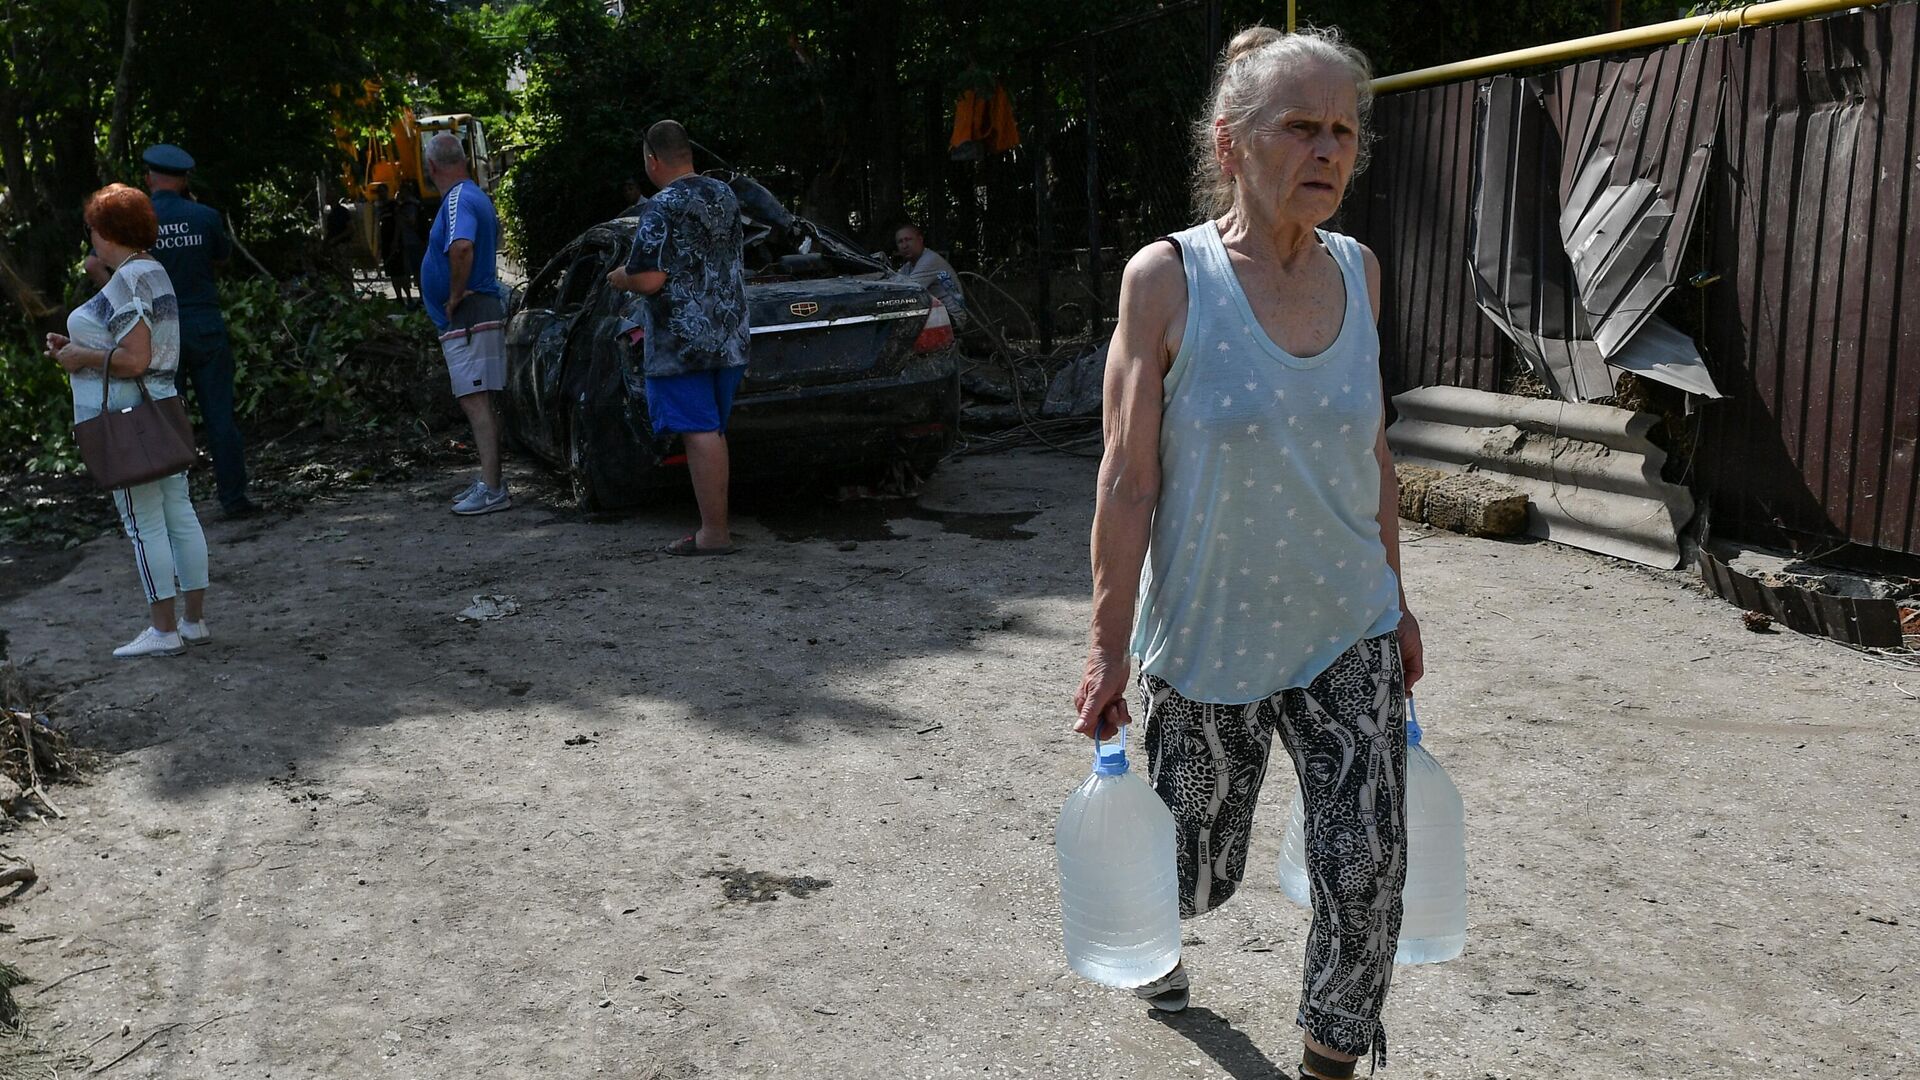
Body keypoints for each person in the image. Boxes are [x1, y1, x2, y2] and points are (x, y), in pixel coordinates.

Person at [1071, 26, 1425, 1080]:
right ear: (1230, 142)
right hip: (1208, 636)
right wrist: (1103, 647)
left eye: (1344, 133)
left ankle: (1329, 1058)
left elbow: (1372, 452)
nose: (1326, 152)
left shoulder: (1361, 271)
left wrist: (1398, 603)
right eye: (1300, 128)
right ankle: (1157, 942)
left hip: (1344, 624)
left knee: (1366, 866)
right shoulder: (1167, 281)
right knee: (1191, 874)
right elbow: (1127, 482)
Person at [48, 184, 212, 658]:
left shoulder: (128, 278)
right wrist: (82, 345)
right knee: (179, 513)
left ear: (106, 230)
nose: (90, 238)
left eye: (92, 229)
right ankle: (193, 621)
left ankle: (163, 630)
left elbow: (134, 358)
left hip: (127, 416)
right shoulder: (150, 271)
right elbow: (128, 336)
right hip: (161, 407)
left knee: (144, 523)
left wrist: (80, 356)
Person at [86, 144, 255, 518]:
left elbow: (98, 264)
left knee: (163, 415)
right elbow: (221, 259)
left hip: (156, 331)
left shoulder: (135, 223)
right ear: (185, 179)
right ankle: (234, 499)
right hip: (204, 324)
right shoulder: (205, 216)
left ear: (149, 178)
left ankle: (176, 501)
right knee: (220, 416)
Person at [606, 120, 749, 556]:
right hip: (730, 334)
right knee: (713, 430)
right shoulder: (723, 194)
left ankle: (714, 533)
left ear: (652, 159)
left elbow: (649, 279)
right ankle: (716, 527)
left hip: (683, 341)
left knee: (699, 431)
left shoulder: (662, 207)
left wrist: (618, 278)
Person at [419, 132, 513, 515]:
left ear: (431, 167)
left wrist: (455, 296)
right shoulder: (473, 195)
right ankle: (490, 482)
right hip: (475, 313)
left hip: (469, 314)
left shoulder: (458, 198)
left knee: (475, 400)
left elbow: (461, 247)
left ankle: (492, 489)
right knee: (480, 400)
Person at [892, 222, 967, 312]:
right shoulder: (908, 266)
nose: (904, 245)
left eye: (908, 239)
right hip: (936, 312)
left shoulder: (929, 260)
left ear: (920, 239)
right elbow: (893, 285)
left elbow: (906, 292)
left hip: (951, 316)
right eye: (900, 242)